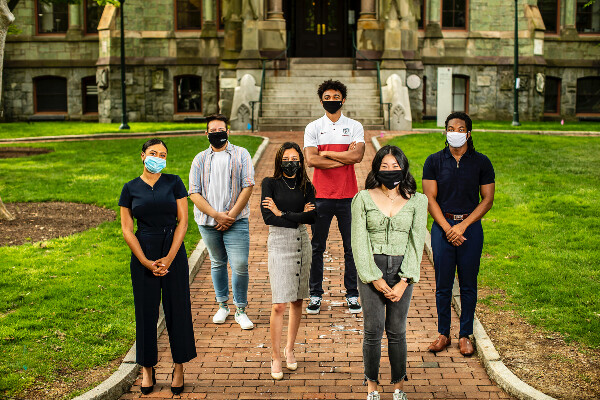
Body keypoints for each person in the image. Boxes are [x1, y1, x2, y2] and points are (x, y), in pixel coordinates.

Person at [119, 139, 196, 395]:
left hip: (172, 247)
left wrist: (170, 257)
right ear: (142, 156)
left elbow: (183, 222)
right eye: (153, 153)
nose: (158, 158)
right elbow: (127, 229)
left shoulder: (174, 183)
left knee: (178, 310)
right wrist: (143, 260)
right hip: (144, 249)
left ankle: (179, 367)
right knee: (145, 312)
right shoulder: (129, 188)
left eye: (163, 154)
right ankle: (147, 368)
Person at [352, 145, 428, 400]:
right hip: (370, 267)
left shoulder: (418, 201)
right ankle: (372, 388)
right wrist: (373, 277)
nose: (390, 170)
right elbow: (358, 241)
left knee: (397, 330)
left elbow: (417, 243)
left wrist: (404, 281)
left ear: (404, 168)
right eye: (384, 166)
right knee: (373, 329)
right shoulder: (362, 198)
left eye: (395, 166)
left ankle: (398, 388)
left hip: (402, 269)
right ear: (376, 168)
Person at [422, 112, 495, 356]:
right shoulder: (433, 161)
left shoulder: (481, 162)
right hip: (442, 228)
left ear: (469, 133)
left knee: (468, 285)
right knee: (442, 285)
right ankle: (443, 333)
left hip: (470, 229)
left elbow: (487, 200)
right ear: (445, 132)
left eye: (460, 129)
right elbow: (430, 199)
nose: (455, 132)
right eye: (450, 128)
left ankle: (465, 335)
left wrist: (462, 227)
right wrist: (447, 228)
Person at [303, 79, 366, 315]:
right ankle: (315, 295)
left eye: (336, 97)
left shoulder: (355, 126)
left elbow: (357, 157)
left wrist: (327, 152)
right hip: (321, 196)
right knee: (317, 247)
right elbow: (311, 160)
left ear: (344, 99)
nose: (332, 101)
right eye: (327, 98)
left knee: (351, 248)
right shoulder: (313, 127)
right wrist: (343, 155)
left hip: (349, 196)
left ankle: (352, 294)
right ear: (321, 101)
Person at [189, 114, 255, 330]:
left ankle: (241, 309)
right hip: (208, 222)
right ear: (206, 134)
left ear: (228, 131)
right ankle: (222, 306)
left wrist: (231, 215)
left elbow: (248, 185)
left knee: (240, 265)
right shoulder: (199, 159)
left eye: (221, 130)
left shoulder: (241, 154)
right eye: (213, 130)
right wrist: (216, 215)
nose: (218, 133)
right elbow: (194, 192)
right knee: (217, 262)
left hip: (236, 220)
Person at [260, 142, 317, 380]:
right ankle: (275, 355)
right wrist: (295, 217)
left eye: (295, 158)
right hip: (279, 243)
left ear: (301, 161)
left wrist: (282, 213)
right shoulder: (269, 183)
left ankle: (290, 349)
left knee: (297, 301)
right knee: (279, 304)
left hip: (303, 242)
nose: (291, 162)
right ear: (279, 160)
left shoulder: (307, 185)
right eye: (286, 158)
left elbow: (312, 216)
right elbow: (266, 217)